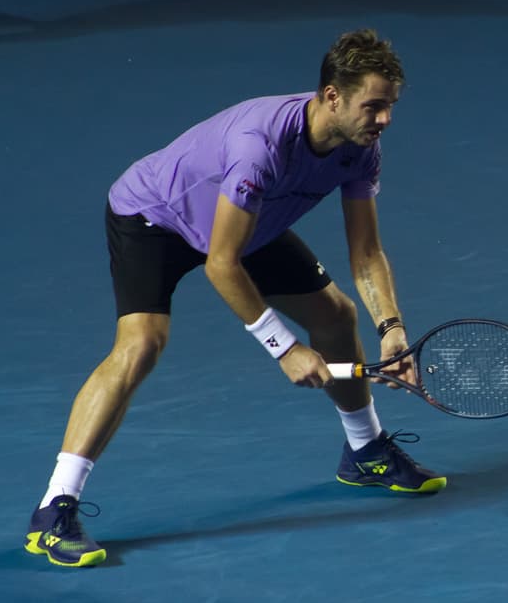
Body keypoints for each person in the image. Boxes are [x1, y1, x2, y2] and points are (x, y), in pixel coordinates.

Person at [25, 29, 443, 569]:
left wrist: (392, 328)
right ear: (332, 96)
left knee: (336, 315)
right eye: (374, 105)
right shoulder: (259, 146)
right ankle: (54, 507)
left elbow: (366, 252)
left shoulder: (361, 150)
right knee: (141, 344)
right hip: (155, 219)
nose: (384, 119)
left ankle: (366, 450)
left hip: (246, 224)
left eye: (390, 106)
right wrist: (285, 348)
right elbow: (221, 265)